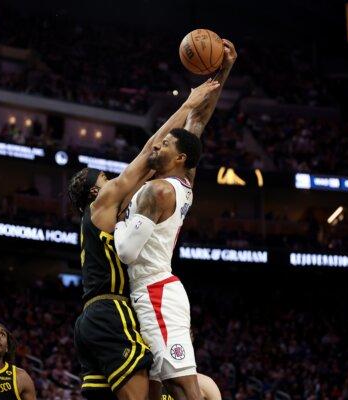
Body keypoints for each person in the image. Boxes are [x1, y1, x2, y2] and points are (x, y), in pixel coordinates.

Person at [68, 80, 221, 400]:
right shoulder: (104, 203)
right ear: (97, 191)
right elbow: (150, 150)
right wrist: (188, 104)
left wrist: (214, 86)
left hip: (91, 319)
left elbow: (187, 142)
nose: (115, 181)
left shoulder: (108, 215)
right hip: (113, 308)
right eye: (106, 178)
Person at [113, 40, 237, 400]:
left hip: (153, 292)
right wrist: (223, 70)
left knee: (182, 389)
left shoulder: (159, 192)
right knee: (158, 391)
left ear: (180, 157)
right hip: (158, 290)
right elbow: (198, 119)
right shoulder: (182, 182)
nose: (157, 145)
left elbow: (125, 252)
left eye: (165, 143)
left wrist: (120, 218)